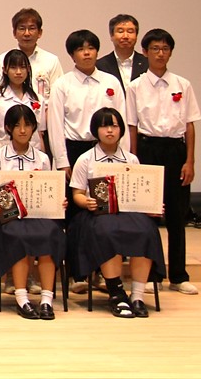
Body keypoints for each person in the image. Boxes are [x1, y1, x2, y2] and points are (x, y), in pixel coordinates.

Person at [68, 107, 166, 318]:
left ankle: (138, 295)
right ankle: (116, 293)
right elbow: (76, 193)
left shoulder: (131, 159)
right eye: (104, 126)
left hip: (129, 213)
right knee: (107, 231)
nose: (110, 130)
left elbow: (141, 192)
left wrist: (152, 206)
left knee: (146, 231)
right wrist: (87, 202)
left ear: (121, 129)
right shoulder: (85, 159)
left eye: (114, 125)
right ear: (96, 130)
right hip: (98, 215)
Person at [127, 28, 199, 295]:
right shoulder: (135, 87)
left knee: (178, 215)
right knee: (146, 216)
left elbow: (190, 125)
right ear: (145, 53)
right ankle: (149, 274)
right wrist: (134, 161)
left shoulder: (183, 84)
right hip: (147, 150)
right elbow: (132, 126)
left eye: (165, 49)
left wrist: (190, 161)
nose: (160, 53)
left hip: (175, 151)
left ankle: (178, 275)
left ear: (170, 52)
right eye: (155, 49)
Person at [0, 105, 66, 320]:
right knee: (18, 236)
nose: (22, 130)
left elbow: (50, 189)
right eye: (17, 125)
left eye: (27, 125)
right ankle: (22, 298)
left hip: (38, 216)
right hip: (9, 218)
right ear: (8, 128)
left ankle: (47, 299)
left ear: (33, 128)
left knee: (50, 234)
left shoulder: (42, 158)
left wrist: (59, 201)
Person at [48, 30, 127, 174]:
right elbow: (55, 126)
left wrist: (124, 155)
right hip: (74, 150)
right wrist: (61, 161)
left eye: (91, 48)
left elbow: (122, 120)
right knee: (77, 195)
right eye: (80, 49)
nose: (86, 53)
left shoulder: (111, 81)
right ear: (72, 56)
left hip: (107, 148)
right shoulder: (62, 84)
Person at [0, 49, 46, 158]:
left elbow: (39, 134)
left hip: (33, 155)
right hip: (4, 155)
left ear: (28, 69)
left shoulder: (38, 99)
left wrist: (45, 163)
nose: (19, 72)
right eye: (13, 67)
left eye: (22, 67)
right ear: (5, 70)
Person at [0, 8, 63, 98]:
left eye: (31, 28)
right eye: (22, 28)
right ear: (14, 33)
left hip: (44, 110)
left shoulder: (51, 60)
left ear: (40, 32)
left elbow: (58, 94)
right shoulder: (2, 59)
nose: (27, 33)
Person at [97, 14, 148, 90]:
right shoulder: (99, 66)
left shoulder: (148, 63)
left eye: (130, 31)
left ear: (136, 36)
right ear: (111, 35)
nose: (125, 36)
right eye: (120, 31)